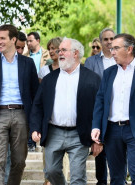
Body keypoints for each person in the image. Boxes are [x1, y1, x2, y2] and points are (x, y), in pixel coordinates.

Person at [30, 37, 102, 185]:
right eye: (59, 50)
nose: (59, 53)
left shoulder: (93, 79)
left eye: (63, 50)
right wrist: (35, 128)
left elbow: (99, 109)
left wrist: (98, 139)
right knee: (50, 171)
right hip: (53, 133)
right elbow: (38, 105)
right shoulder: (49, 79)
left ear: (75, 53)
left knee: (78, 177)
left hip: (79, 133)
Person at [91, 33, 135, 185]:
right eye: (111, 48)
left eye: (116, 48)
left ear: (129, 49)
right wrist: (96, 126)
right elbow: (100, 101)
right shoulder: (108, 73)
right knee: (116, 177)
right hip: (112, 131)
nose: (112, 52)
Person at [0, 24, 39, 185]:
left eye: (2, 38)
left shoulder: (28, 63)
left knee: (19, 161)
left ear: (13, 39)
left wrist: (35, 124)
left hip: (21, 115)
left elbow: (35, 95)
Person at [84, 28, 116, 185]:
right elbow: (87, 87)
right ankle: (101, 181)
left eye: (112, 38)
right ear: (101, 41)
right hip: (98, 111)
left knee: (117, 150)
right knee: (99, 149)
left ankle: (119, 179)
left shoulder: (121, 59)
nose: (109, 42)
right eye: (106, 39)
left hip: (118, 112)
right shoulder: (91, 62)